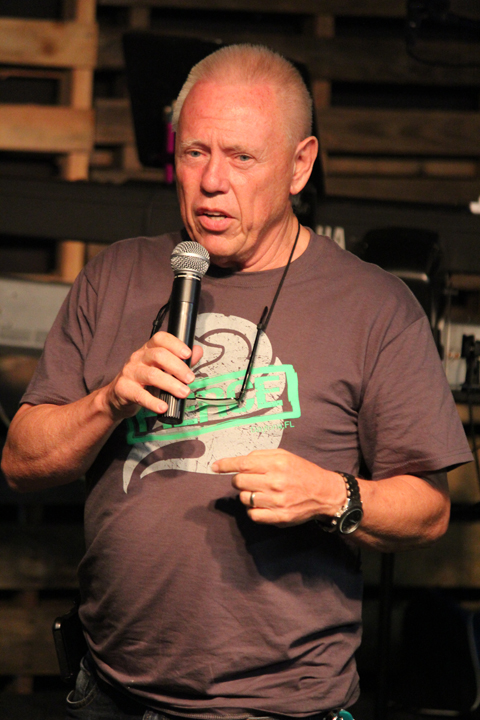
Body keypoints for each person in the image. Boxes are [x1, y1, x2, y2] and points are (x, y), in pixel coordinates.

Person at [1, 43, 472, 720]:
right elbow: (20, 462)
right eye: (195, 152)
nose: (212, 181)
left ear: (300, 165)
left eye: (242, 157)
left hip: (280, 708)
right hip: (111, 693)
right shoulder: (115, 276)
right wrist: (107, 401)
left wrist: (331, 494)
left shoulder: (374, 307)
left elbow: (429, 511)